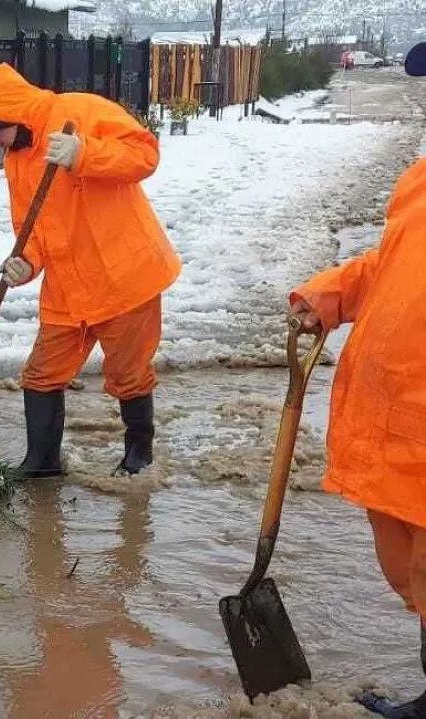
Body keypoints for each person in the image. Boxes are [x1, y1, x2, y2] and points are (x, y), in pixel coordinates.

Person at [288, 41, 426, 719]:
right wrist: (333, 294)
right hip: (400, 419)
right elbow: (396, 266)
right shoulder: (422, 179)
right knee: (413, 571)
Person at [0, 62, 181, 479]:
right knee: (42, 374)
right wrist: (24, 263)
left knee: (128, 373)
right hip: (68, 284)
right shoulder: (15, 158)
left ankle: (139, 455)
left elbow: (145, 154)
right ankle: (42, 463)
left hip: (124, 275)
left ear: (15, 116)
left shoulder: (80, 111)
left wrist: (85, 153)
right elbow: (28, 225)